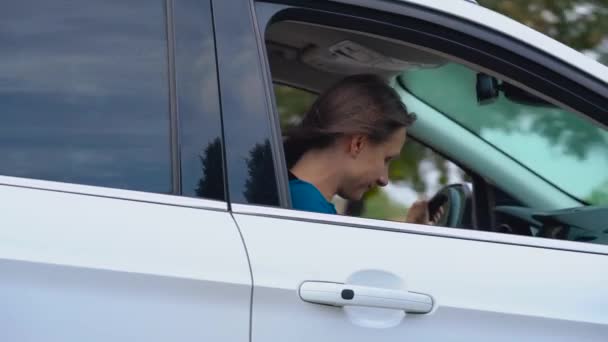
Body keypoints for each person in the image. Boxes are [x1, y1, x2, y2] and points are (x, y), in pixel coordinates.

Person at [284, 74, 438, 225]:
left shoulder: (293, 198)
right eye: (386, 159)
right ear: (357, 143)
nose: (383, 179)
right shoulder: (310, 214)